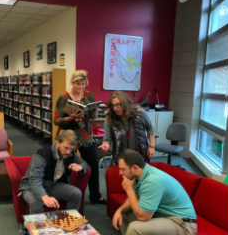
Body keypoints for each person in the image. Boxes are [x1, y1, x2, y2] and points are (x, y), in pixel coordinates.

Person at [112, 150, 197, 235]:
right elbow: (133, 199)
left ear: (134, 168)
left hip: (183, 225)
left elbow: (143, 217)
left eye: (123, 169)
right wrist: (120, 210)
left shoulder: (152, 181)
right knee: (125, 215)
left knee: (136, 228)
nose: (120, 173)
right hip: (164, 216)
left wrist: (129, 190)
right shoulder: (138, 175)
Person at [54, 70, 106, 205]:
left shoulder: (89, 96)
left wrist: (94, 113)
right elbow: (56, 120)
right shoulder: (64, 98)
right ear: (72, 82)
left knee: (93, 165)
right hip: (69, 134)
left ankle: (95, 195)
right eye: (78, 84)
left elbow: (92, 117)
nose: (81, 87)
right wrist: (70, 117)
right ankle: (63, 195)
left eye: (83, 84)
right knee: (65, 165)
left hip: (86, 134)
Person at [19, 130, 88, 214]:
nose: (68, 152)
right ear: (57, 142)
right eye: (66, 148)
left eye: (71, 149)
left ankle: (70, 222)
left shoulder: (71, 153)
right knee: (36, 203)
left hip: (52, 185)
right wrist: (44, 196)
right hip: (31, 187)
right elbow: (35, 181)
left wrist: (81, 167)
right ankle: (38, 227)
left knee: (76, 193)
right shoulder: (42, 155)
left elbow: (83, 163)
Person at [99, 90, 155, 164]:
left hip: (140, 153)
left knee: (142, 174)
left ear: (125, 103)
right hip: (121, 156)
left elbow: (150, 128)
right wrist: (106, 144)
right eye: (113, 105)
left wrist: (152, 146)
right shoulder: (110, 118)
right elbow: (107, 138)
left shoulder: (139, 112)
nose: (115, 108)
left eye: (118, 104)